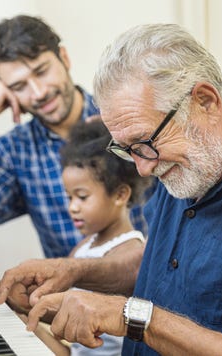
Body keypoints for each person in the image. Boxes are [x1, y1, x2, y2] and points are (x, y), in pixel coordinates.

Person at [0, 23, 222, 355]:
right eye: (127, 149)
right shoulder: (181, 166)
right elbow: (158, 269)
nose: (144, 167)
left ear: (205, 101)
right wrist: (73, 271)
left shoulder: (181, 160)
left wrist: (129, 317)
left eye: (144, 142)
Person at [0, 15, 151, 259]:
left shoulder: (122, 118)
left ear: (64, 58)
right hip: (67, 294)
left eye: (41, 71)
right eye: (18, 86)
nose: (39, 92)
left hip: (149, 286)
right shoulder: (17, 151)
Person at [60, 119, 152, 355]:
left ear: (120, 194)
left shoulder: (130, 250)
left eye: (81, 197)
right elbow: (59, 304)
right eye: (69, 197)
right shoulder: (84, 246)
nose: (72, 207)